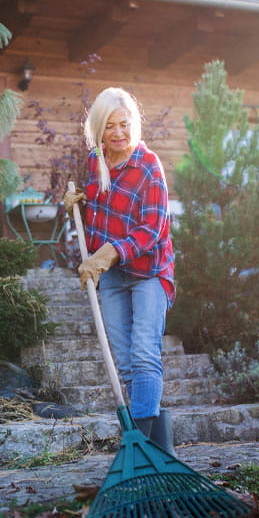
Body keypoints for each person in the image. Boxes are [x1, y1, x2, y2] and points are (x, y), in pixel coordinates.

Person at [63, 87, 176, 455]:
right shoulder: (96, 162)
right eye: (109, 126)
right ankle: (163, 454)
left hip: (149, 273)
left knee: (145, 355)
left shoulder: (148, 165)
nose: (118, 133)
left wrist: (109, 253)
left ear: (134, 125)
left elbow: (153, 228)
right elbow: (95, 228)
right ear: (98, 128)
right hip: (112, 278)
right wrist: (77, 209)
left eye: (124, 125)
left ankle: (140, 448)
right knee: (127, 364)